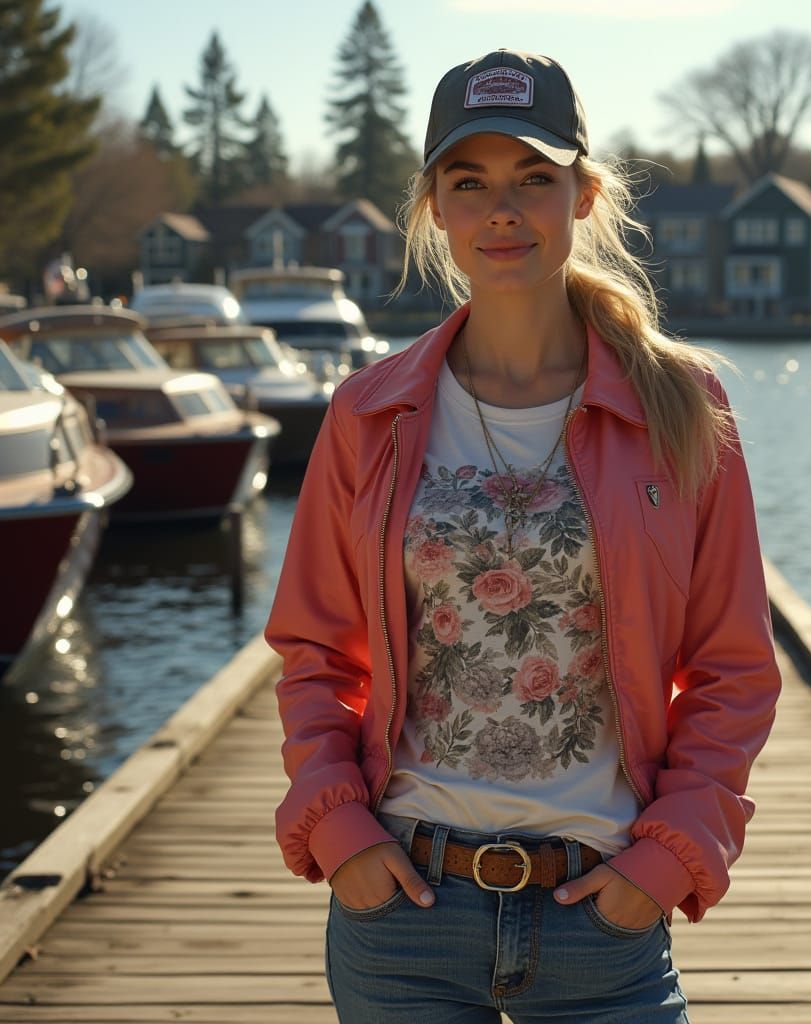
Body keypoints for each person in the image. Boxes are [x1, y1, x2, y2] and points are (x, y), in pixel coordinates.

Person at [265, 49, 782, 1024]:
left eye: (533, 179)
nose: (501, 209)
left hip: (605, 908)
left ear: (582, 195)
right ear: (436, 209)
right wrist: (342, 835)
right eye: (470, 183)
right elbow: (315, 650)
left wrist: (670, 855)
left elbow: (732, 665)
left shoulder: (680, 403)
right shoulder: (367, 415)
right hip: (402, 906)